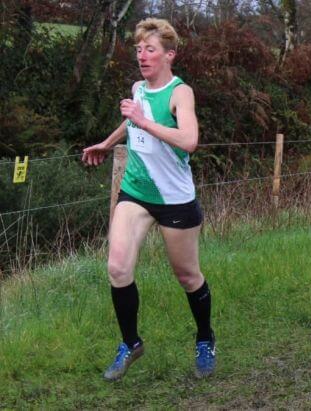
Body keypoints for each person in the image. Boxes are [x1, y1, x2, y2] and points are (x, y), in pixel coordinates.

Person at [81, 18, 216, 381]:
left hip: (175, 200)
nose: (142, 55)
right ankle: (131, 343)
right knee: (118, 268)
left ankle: (205, 338)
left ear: (169, 55)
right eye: (139, 49)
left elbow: (189, 140)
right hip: (136, 192)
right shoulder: (138, 87)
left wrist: (142, 119)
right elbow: (131, 123)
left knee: (188, 277)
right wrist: (107, 144)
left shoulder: (179, 92)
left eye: (150, 49)